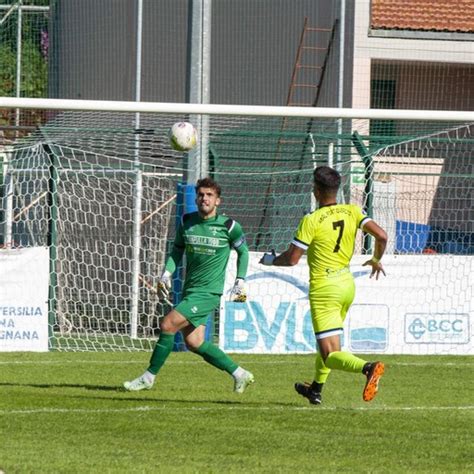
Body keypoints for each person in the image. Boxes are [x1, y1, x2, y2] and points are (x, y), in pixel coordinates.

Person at [260, 166, 387, 405]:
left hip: (325, 289)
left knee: (330, 354)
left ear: (316, 191)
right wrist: (376, 259)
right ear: (336, 190)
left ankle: (368, 368)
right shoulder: (352, 210)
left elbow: (292, 259)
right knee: (328, 343)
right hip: (346, 285)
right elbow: (382, 236)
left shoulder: (312, 220)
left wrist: (269, 260)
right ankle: (316, 389)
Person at [124, 177, 254, 394]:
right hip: (190, 289)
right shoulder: (187, 222)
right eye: (201, 194)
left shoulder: (229, 226)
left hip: (208, 292)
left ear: (218, 201)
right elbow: (177, 249)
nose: (205, 198)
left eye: (209, 195)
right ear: (196, 197)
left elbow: (244, 252)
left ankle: (148, 377)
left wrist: (240, 281)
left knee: (167, 325)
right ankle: (240, 374)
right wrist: (166, 274)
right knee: (194, 342)